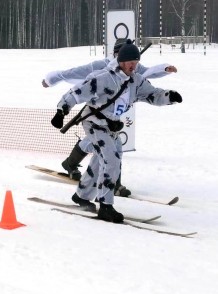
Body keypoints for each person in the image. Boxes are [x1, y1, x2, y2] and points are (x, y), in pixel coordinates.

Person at [50, 39, 182, 223]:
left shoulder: (136, 80)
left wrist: (169, 96)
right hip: (94, 123)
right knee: (110, 159)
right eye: (130, 62)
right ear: (120, 61)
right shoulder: (104, 78)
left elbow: (152, 94)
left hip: (111, 125)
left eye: (136, 63)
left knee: (106, 157)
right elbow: (76, 93)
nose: (133, 66)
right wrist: (61, 111)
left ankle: (82, 195)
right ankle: (106, 205)